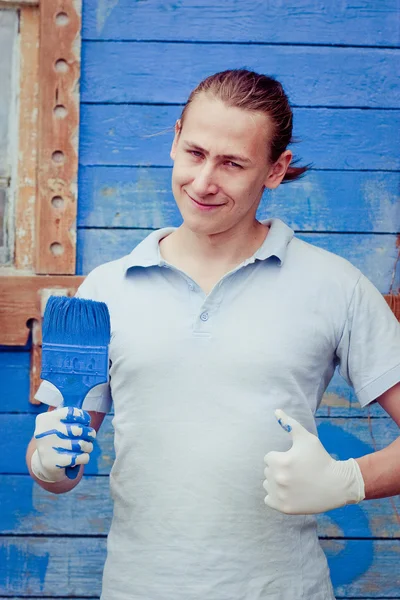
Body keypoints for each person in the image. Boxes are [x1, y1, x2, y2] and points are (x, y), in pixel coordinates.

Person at [26, 69, 400, 600]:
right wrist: (47, 462)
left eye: (232, 164)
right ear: (175, 138)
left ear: (276, 170)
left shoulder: (335, 286)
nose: (203, 181)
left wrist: (347, 481)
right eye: (195, 152)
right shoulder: (105, 290)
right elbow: (62, 470)